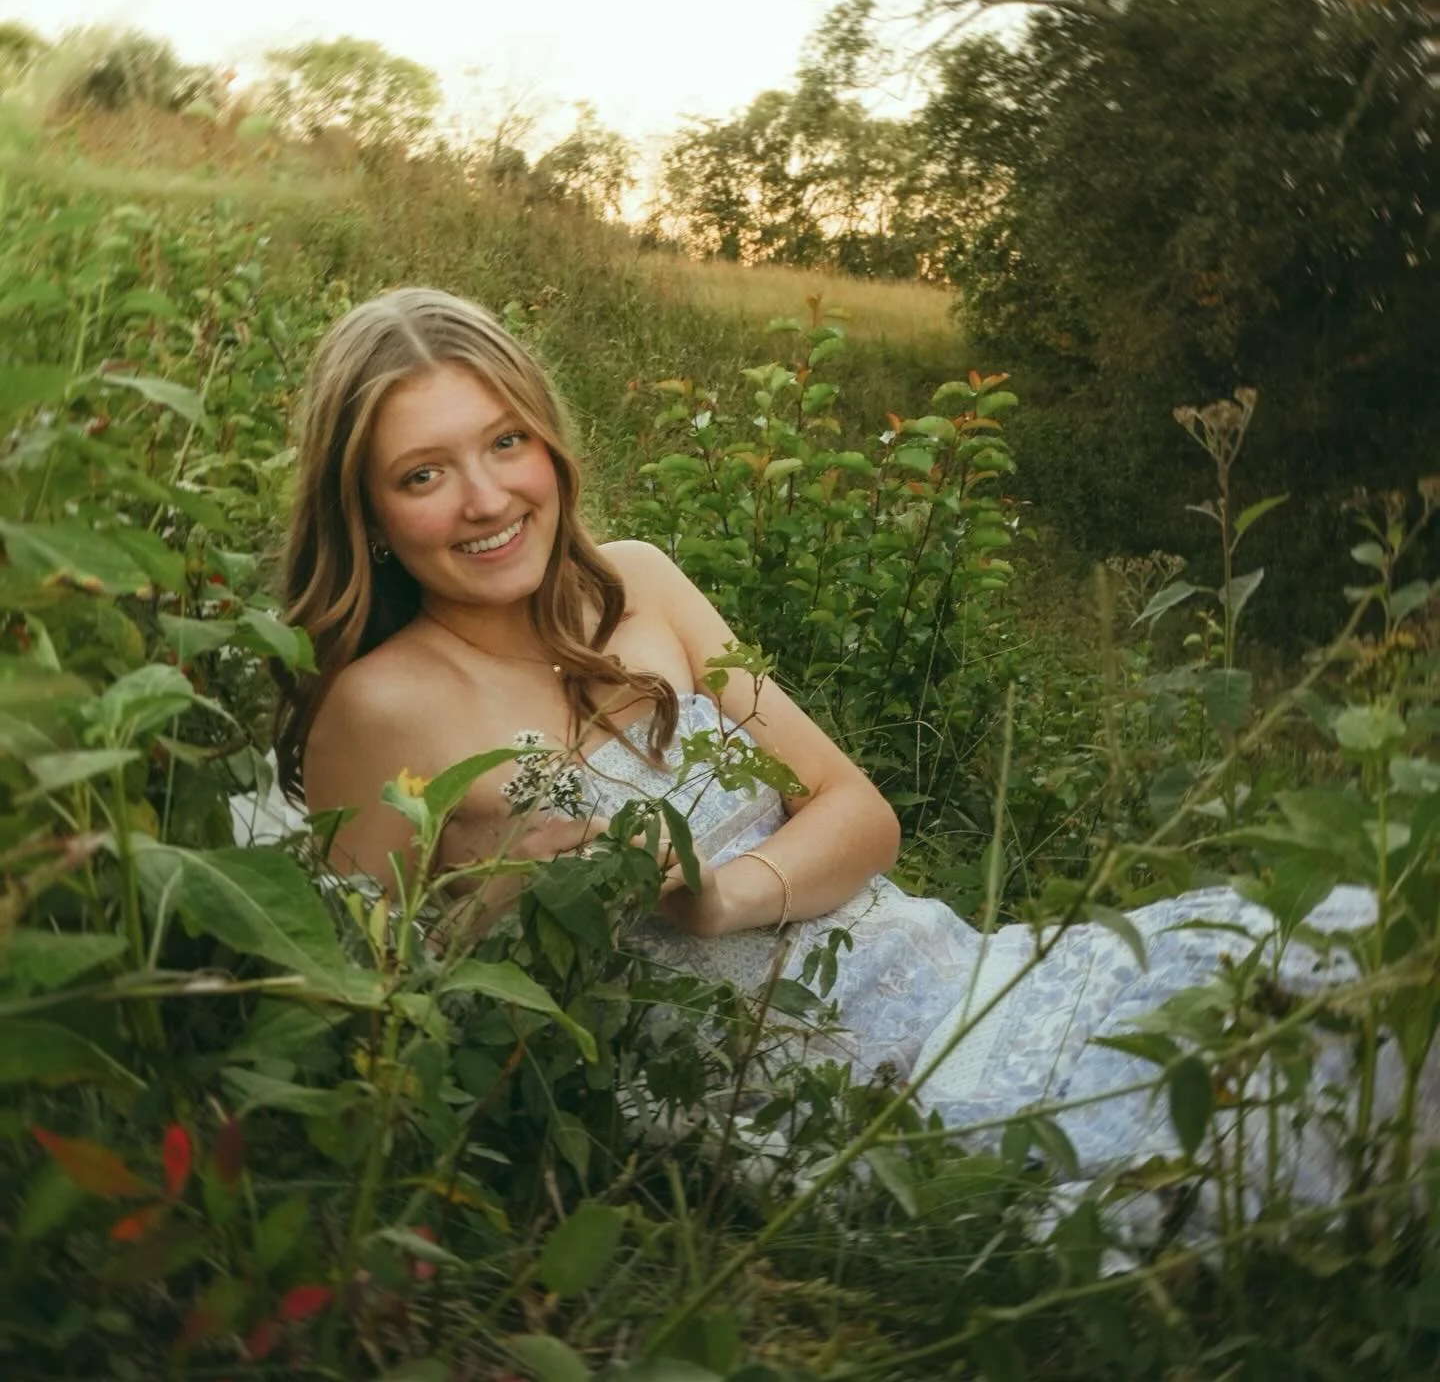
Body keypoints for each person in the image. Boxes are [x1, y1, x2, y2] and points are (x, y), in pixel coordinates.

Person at [278, 287, 1434, 1220]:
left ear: (549, 442)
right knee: (1236, 1122)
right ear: (369, 511)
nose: (487, 498)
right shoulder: (380, 709)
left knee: (1342, 954)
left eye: (506, 441)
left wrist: (720, 895)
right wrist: (524, 882)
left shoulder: (640, 581)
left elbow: (856, 812)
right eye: (424, 474)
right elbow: (381, 1017)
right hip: (807, 1092)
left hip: (944, 973)